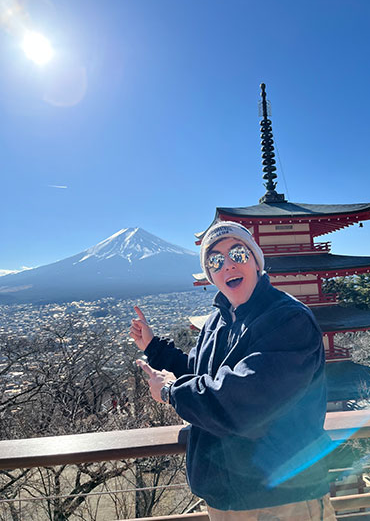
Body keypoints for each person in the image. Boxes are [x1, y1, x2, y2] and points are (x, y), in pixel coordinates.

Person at [130, 221, 336, 521]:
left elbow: (243, 399)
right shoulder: (218, 320)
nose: (227, 265)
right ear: (210, 274)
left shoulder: (287, 319)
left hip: (282, 498)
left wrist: (169, 392)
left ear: (256, 260)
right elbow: (200, 373)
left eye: (237, 253)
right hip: (227, 497)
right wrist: (154, 347)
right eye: (215, 260)